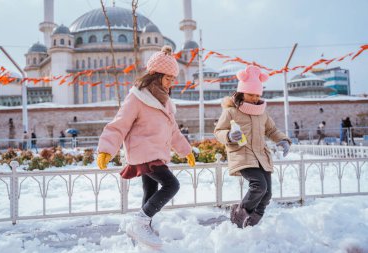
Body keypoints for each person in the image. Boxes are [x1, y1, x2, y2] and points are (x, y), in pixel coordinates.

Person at [96, 46, 196, 248]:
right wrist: (106, 150)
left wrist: (187, 151)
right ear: (155, 76)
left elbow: (173, 131)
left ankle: (144, 229)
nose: (171, 83)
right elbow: (119, 124)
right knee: (172, 185)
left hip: (156, 153)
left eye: (173, 79)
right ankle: (140, 223)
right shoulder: (137, 97)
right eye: (168, 78)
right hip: (144, 152)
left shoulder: (165, 102)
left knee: (150, 190)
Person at [214, 65, 291, 229]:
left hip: (261, 156)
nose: (254, 97)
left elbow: (271, 130)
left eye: (257, 94)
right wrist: (228, 136)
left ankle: (254, 219)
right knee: (259, 186)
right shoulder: (231, 112)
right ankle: (239, 213)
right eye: (250, 94)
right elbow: (218, 131)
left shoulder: (262, 113)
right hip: (242, 155)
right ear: (242, 92)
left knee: (267, 193)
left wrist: (282, 140)